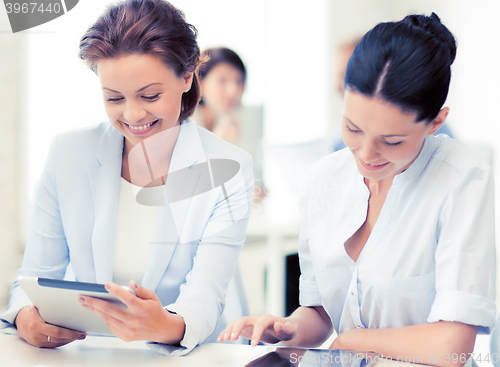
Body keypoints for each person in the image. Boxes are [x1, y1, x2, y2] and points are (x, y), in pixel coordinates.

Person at [219, 13, 496, 367]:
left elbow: (451, 346)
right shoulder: (324, 177)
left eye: (392, 141)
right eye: (353, 128)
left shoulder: (462, 176)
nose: (366, 155)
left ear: (436, 122)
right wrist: (286, 328)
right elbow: (319, 316)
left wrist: (352, 340)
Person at [0, 0, 253, 356]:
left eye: (150, 95)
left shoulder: (230, 167)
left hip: (182, 358)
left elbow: (205, 297)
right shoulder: (68, 154)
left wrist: (163, 324)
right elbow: (34, 276)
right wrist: (26, 317)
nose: (133, 115)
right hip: (85, 354)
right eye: (114, 98)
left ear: (186, 77)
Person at [192, 47, 265, 200]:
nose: (233, 90)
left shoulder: (238, 118)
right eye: (222, 80)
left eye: (239, 81)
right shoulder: (184, 121)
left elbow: (253, 177)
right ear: (200, 82)